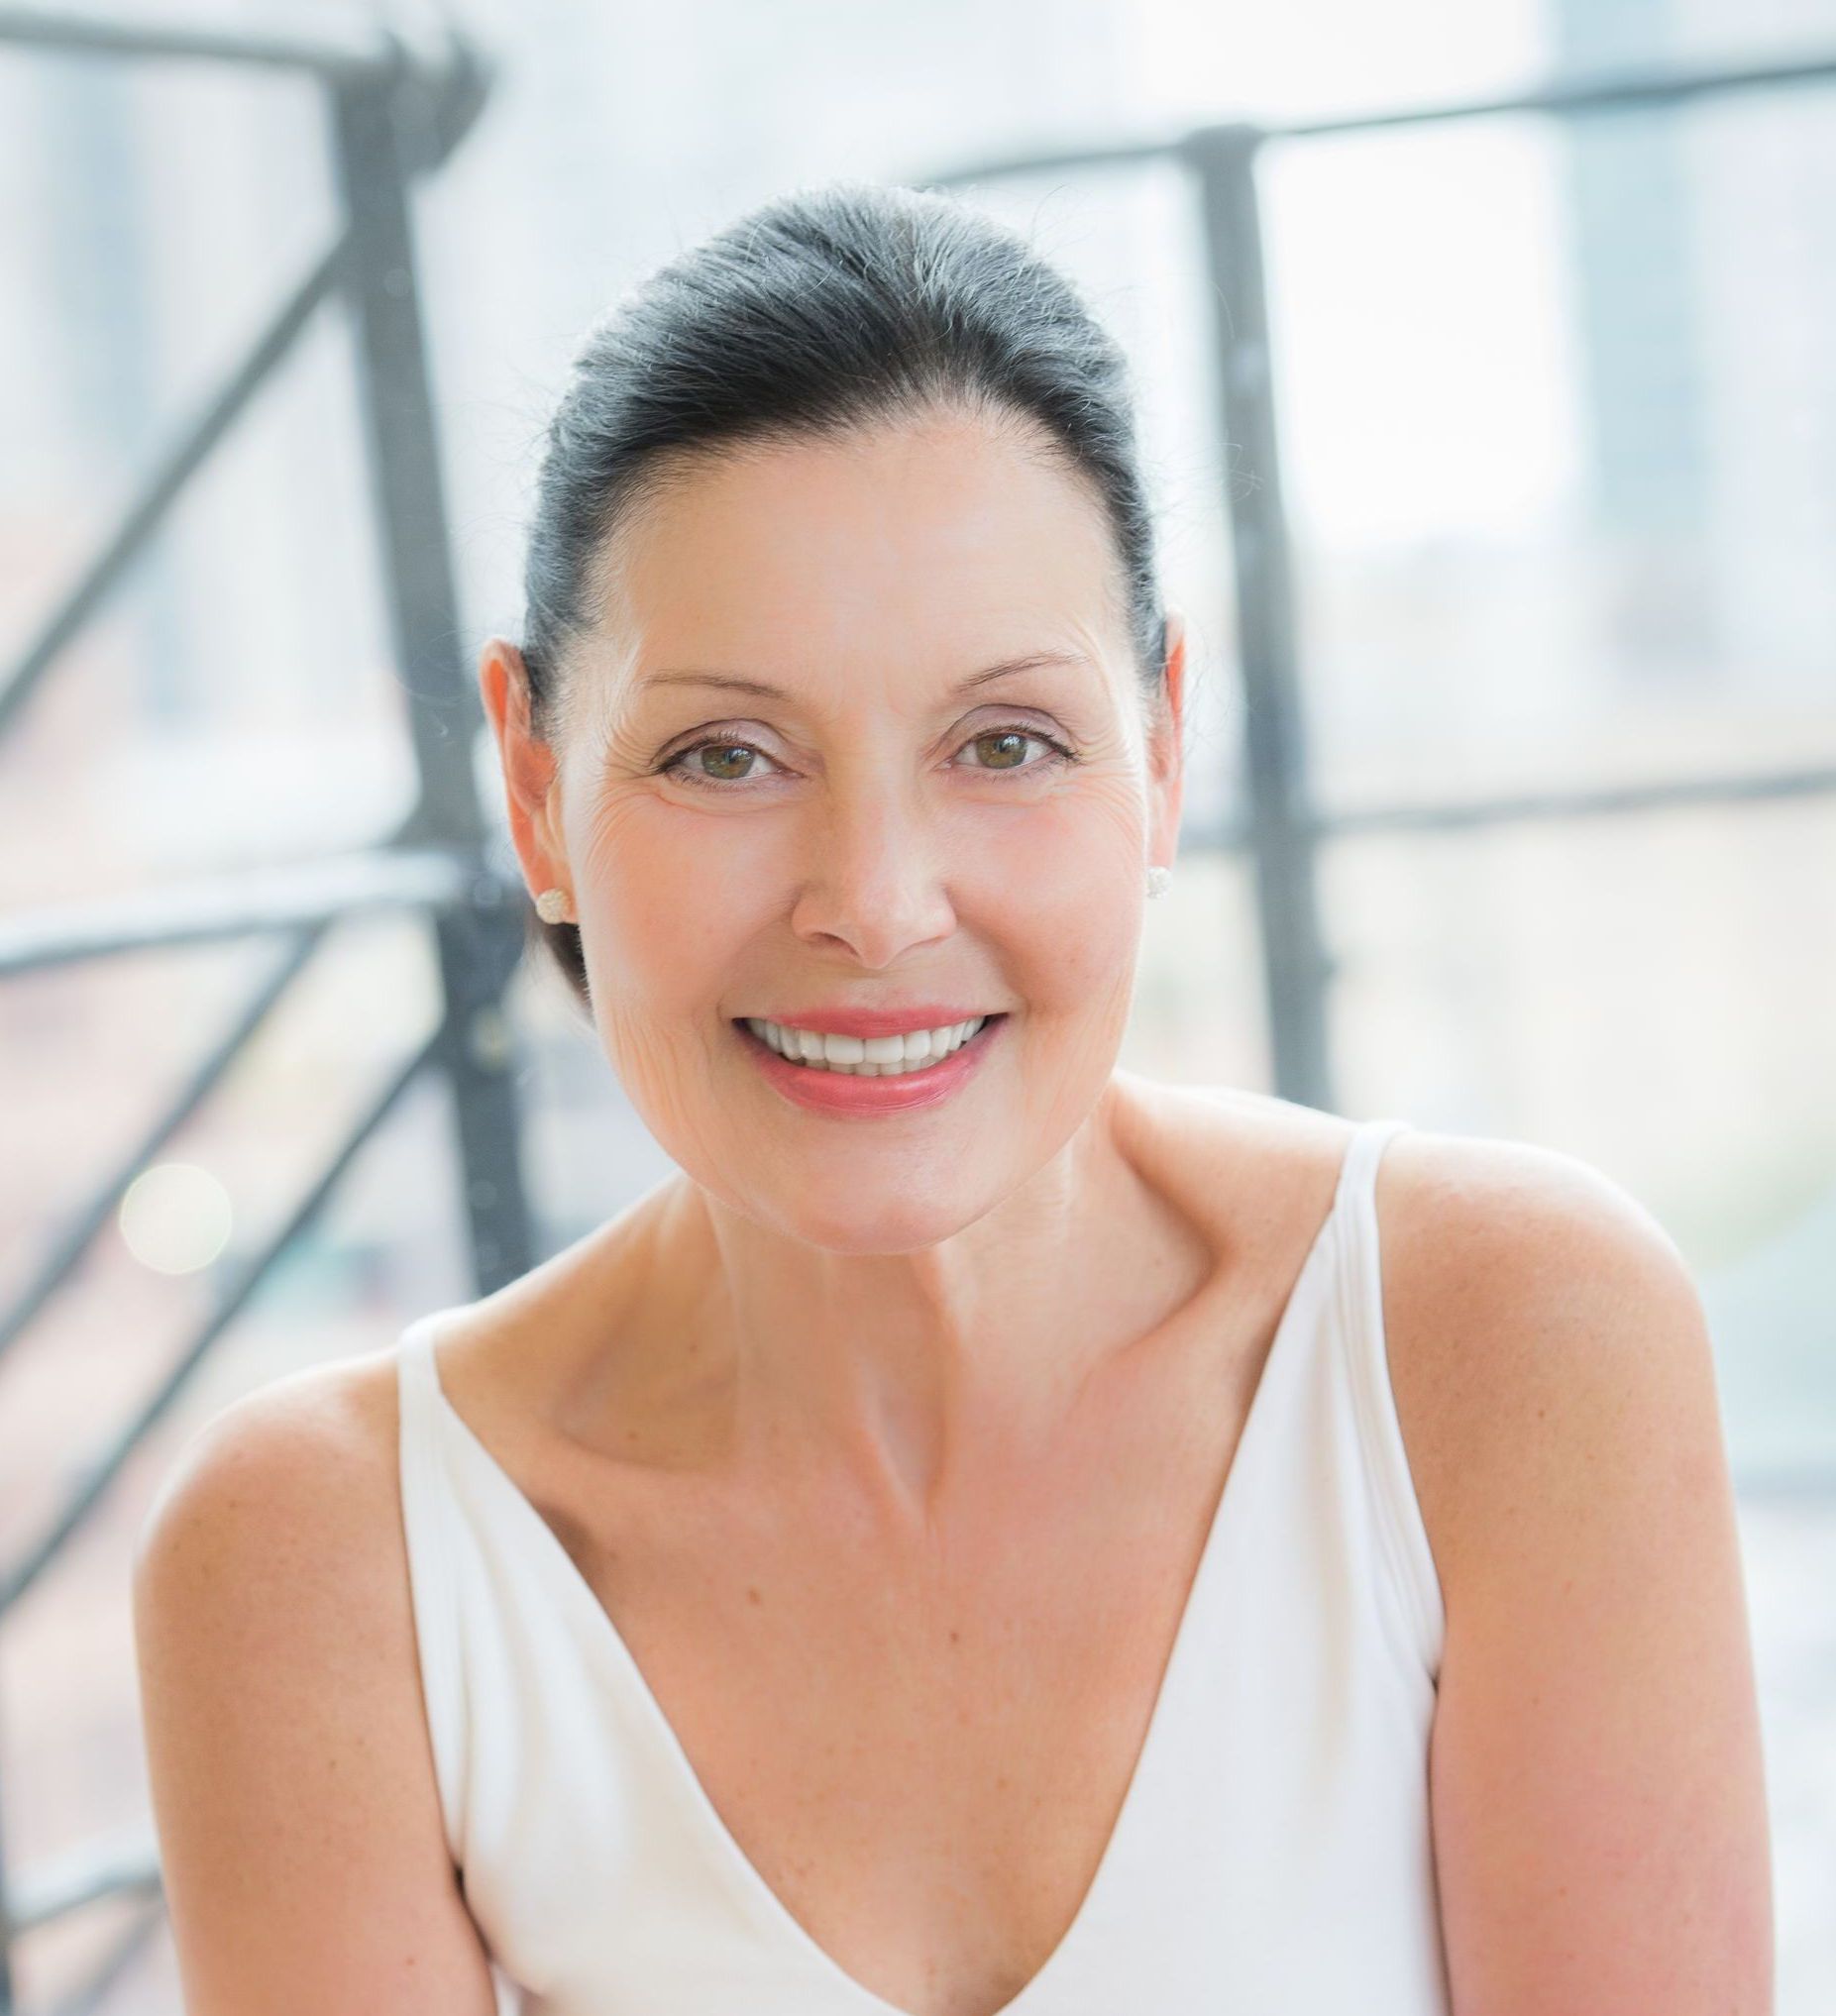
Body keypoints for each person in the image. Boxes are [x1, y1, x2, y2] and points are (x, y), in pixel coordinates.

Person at [131, 180, 1772, 2016]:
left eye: (1004, 742)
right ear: (531, 793)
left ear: (1157, 749)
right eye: (723, 754)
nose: (878, 901)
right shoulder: (328, 1556)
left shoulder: (1504, 1343)